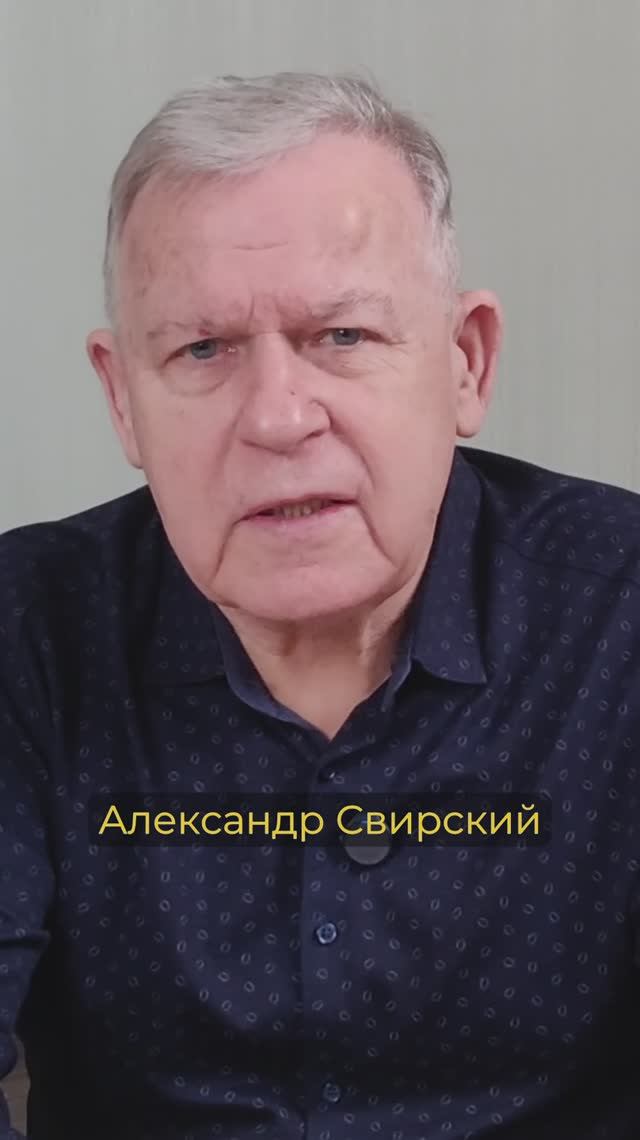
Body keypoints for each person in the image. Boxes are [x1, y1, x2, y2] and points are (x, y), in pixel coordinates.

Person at [1, 69, 639, 1140]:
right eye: (202, 349)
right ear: (122, 397)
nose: (278, 417)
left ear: (466, 361)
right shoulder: (26, 632)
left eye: (342, 336)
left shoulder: (619, 613)